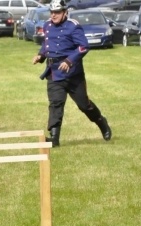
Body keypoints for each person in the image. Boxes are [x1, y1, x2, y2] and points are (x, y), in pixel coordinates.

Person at [32, 0, 111, 147]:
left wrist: (69, 61)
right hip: (54, 72)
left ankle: (101, 122)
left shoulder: (73, 26)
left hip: (73, 74)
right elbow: (47, 43)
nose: (53, 15)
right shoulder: (47, 25)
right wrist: (40, 55)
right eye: (52, 12)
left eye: (57, 12)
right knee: (56, 103)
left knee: (84, 105)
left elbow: (83, 47)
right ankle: (54, 138)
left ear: (65, 12)